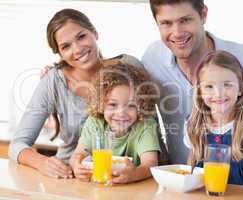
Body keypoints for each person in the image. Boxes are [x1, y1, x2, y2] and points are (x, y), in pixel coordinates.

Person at [142, 0, 243, 164]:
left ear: (203, 14)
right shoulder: (151, 58)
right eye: (166, 23)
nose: (177, 33)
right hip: (180, 179)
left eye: (185, 20)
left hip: (239, 183)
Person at [8, 8, 142, 179]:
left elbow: (150, 128)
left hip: (125, 178)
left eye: (81, 37)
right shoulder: (53, 81)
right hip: (70, 177)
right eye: (66, 46)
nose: (77, 49)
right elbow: (17, 144)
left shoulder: (129, 67)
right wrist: (43, 163)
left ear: (94, 33)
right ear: (60, 54)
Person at [185, 50, 243, 187]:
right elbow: (190, 170)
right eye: (209, 86)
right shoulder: (193, 125)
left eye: (227, 85)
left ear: (241, 88)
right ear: (200, 92)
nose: (219, 94)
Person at [70, 63, 161, 184]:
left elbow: (150, 164)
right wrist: (77, 165)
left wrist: (133, 175)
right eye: (113, 104)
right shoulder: (95, 122)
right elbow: (78, 153)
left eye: (131, 106)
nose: (121, 113)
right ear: (101, 104)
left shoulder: (145, 126)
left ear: (141, 106)